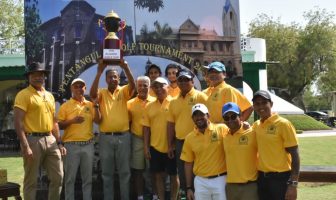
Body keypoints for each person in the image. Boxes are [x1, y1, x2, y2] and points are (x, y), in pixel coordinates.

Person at [13, 62, 65, 200]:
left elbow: (54, 122)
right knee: (31, 181)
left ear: (44, 77)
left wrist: (59, 142)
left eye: (41, 75)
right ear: (29, 77)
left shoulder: (50, 95)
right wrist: (25, 145)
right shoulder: (23, 95)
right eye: (34, 75)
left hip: (51, 140)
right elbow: (17, 122)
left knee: (58, 177)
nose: (38, 77)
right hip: (32, 140)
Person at [90, 59, 135, 200]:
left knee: (125, 173)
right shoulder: (102, 93)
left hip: (124, 137)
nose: (113, 79)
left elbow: (133, 86)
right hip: (106, 138)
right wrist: (99, 72)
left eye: (115, 76)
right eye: (110, 77)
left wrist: (126, 68)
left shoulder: (123, 91)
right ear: (106, 79)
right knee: (107, 174)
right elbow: (92, 94)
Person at [57, 78, 101, 200]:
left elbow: (98, 120)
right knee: (70, 179)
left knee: (88, 179)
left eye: (81, 86)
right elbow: (59, 125)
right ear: (71, 88)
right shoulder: (65, 106)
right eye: (76, 86)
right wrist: (72, 121)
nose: (78, 89)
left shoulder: (90, 105)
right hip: (71, 146)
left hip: (88, 145)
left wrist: (96, 105)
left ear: (85, 88)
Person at [252, 90, 300, 200]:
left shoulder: (283, 124)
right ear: (254, 106)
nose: (261, 106)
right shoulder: (256, 126)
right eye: (257, 104)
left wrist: (293, 184)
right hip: (262, 179)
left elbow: (295, 154)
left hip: (281, 178)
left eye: (264, 102)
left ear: (271, 104)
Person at [167, 69, 208, 194]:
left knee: (200, 172)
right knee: (184, 174)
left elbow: (210, 119)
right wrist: (170, 145)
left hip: (200, 140)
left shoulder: (201, 96)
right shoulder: (173, 101)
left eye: (186, 79)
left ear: (192, 81)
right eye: (180, 79)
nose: (183, 82)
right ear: (177, 82)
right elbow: (170, 124)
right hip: (181, 142)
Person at [180, 103, 228, 200]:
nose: (199, 118)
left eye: (201, 114)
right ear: (192, 118)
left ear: (208, 115)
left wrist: (244, 125)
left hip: (220, 179)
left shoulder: (221, 129)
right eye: (195, 115)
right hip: (200, 181)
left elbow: (235, 134)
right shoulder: (189, 138)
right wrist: (189, 187)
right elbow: (188, 163)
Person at [143, 77, 180, 200]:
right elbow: (146, 128)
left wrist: (173, 144)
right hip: (155, 147)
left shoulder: (175, 102)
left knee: (174, 176)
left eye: (161, 86)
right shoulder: (149, 106)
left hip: (172, 147)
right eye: (155, 87)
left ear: (168, 87)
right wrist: (146, 147)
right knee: (158, 176)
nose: (158, 89)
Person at [222, 102, 258, 200]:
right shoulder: (224, 136)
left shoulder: (252, 132)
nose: (230, 120)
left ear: (241, 116)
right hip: (231, 187)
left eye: (233, 116)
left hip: (249, 186)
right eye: (226, 118)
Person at [127, 76, 155, 200]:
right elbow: (128, 123)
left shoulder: (156, 101)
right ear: (136, 87)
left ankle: (155, 195)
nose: (142, 88)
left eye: (145, 85)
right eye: (140, 85)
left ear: (150, 87)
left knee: (154, 170)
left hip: (154, 140)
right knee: (138, 170)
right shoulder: (130, 104)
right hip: (137, 139)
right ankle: (140, 196)